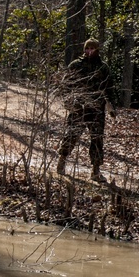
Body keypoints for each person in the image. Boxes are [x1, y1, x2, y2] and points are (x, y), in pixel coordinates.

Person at [56, 38, 116, 182]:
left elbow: (109, 89)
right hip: (79, 108)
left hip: (96, 109)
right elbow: (65, 85)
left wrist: (111, 107)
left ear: (97, 50)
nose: (89, 51)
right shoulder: (76, 65)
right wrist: (70, 102)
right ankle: (61, 162)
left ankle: (95, 171)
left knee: (97, 138)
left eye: (92, 49)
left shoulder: (103, 68)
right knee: (71, 134)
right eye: (87, 49)